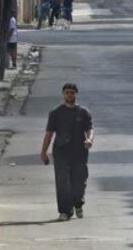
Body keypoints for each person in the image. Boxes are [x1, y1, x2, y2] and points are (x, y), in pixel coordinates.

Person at [40, 83, 94, 221]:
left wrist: (89, 140)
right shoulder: (56, 113)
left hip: (79, 152)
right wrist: (43, 152)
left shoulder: (83, 112)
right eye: (67, 93)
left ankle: (78, 204)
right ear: (63, 95)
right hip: (61, 152)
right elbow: (49, 133)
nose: (69, 95)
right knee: (63, 182)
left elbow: (89, 129)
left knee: (79, 181)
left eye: (72, 93)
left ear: (76, 94)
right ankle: (65, 211)